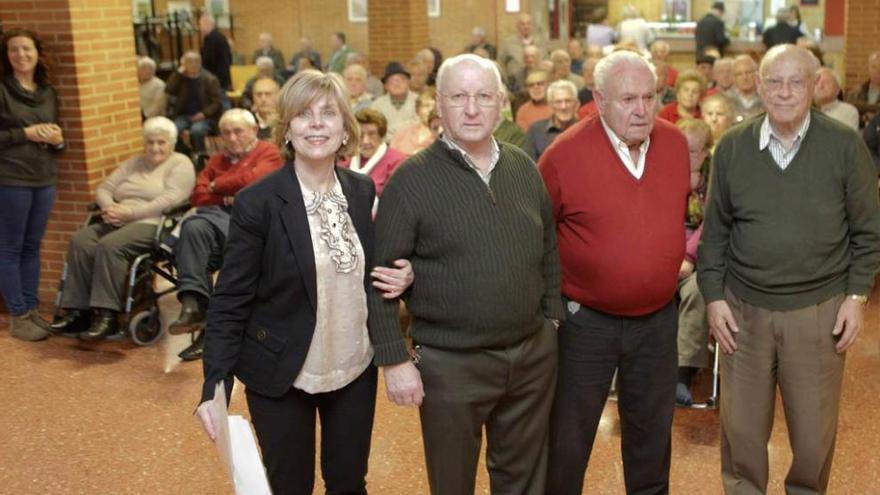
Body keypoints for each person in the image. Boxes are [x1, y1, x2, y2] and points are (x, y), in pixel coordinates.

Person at [195, 70, 414, 495]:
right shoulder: (258, 202)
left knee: (349, 484)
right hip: (281, 371)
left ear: (345, 129)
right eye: (303, 114)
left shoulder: (361, 190)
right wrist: (214, 384)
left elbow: (367, 267)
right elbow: (231, 299)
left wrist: (405, 273)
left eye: (328, 113)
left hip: (353, 365)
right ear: (287, 130)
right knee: (291, 486)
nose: (317, 124)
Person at [368, 53, 563, 495]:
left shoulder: (522, 168)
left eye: (483, 96)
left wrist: (551, 322)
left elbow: (548, 248)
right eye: (458, 96)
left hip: (531, 356)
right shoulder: (411, 180)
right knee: (453, 482)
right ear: (439, 104)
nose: (471, 108)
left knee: (524, 479)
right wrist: (394, 359)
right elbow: (380, 278)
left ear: (500, 105)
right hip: (449, 364)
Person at [698, 44, 880, 494]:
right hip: (743, 312)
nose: (783, 92)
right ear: (759, 85)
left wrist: (856, 298)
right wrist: (713, 296)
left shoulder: (843, 146)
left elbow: (868, 231)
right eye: (773, 82)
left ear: (814, 86)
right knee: (741, 432)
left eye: (795, 81)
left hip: (817, 313)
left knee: (813, 437)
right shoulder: (733, 149)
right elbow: (714, 232)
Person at [539, 50, 690, 494]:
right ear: (599, 99)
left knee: (651, 436)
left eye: (650, 96)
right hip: (585, 322)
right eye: (629, 99)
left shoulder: (676, 143)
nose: (642, 109)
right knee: (569, 436)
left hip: (658, 320)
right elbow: (537, 234)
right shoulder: (564, 154)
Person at [50, 117, 195, 340]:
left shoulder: (181, 163)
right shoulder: (134, 162)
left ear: (172, 143)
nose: (155, 148)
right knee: (81, 240)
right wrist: (110, 208)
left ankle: (107, 316)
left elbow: (171, 199)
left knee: (111, 245)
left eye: (161, 142)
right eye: (150, 142)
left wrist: (131, 213)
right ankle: (77, 312)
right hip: (118, 218)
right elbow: (104, 188)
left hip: (153, 224)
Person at [166, 109, 284, 361]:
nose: (231, 137)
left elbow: (256, 181)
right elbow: (197, 195)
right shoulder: (217, 159)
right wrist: (229, 193)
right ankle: (196, 309)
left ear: (253, 130)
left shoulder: (269, 152)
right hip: (218, 226)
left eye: (238, 131)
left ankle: (199, 314)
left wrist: (216, 186)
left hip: (253, 227)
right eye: (226, 132)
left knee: (196, 227)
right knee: (194, 230)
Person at [0, 28, 65, 341]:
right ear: (7, 55)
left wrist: (57, 139)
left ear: (38, 53)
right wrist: (24, 134)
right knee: (9, 248)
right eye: (14, 50)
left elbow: (58, 137)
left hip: (44, 178)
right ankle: (18, 314)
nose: (21, 55)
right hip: (11, 180)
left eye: (26, 49)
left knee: (31, 246)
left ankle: (32, 309)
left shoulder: (47, 92)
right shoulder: (2, 90)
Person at [673, 118, 713, 406]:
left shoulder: (715, 179)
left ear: (705, 153)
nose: (683, 157)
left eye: (691, 151)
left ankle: (681, 373)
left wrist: (688, 257)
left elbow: (711, 224)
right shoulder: (663, 172)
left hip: (700, 259)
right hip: (664, 253)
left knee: (698, 291)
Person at [165, 51, 223, 154]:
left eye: (195, 61)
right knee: (173, 130)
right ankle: (183, 152)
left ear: (200, 63)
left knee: (197, 131)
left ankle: (199, 155)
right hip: (184, 115)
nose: (193, 64)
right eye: (189, 62)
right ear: (183, 64)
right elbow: (169, 89)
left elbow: (217, 102)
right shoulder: (180, 78)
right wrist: (178, 73)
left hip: (205, 116)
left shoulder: (209, 79)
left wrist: (204, 113)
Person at [340, 109, 407, 198]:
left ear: (381, 136)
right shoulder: (345, 157)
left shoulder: (397, 161)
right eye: (361, 135)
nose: (365, 141)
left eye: (372, 134)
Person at [524, 79, 578, 161]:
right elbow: (528, 166)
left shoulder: (586, 130)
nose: (563, 107)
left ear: (576, 104)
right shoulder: (536, 130)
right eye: (558, 102)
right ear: (550, 105)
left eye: (568, 101)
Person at [369, 62, 418, 141]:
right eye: (392, 81)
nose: (397, 84)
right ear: (386, 86)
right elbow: (376, 130)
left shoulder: (418, 101)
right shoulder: (377, 105)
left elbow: (420, 127)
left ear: (408, 82)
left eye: (401, 80)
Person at [499, 13, 548, 83]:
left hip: (537, 81)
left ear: (532, 26)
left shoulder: (540, 42)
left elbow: (546, 61)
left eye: (528, 24)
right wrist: (506, 80)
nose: (526, 27)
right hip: (515, 83)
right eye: (523, 24)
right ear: (517, 26)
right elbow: (500, 63)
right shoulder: (508, 43)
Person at [390, 87, 440, 156]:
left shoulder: (445, 138)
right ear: (418, 110)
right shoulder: (402, 133)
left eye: (435, 107)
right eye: (426, 106)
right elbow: (390, 160)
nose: (430, 110)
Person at [846, 50, 880, 127]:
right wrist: (865, 117)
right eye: (874, 67)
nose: (878, 71)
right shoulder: (856, 92)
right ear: (868, 68)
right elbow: (849, 107)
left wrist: (863, 108)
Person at [198, 15, 232, 93]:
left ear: (207, 23)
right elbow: (229, 57)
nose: (200, 28)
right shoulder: (221, 37)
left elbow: (208, 60)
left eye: (200, 24)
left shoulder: (210, 39)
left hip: (215, 78)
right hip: (224, 77)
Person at [728, 54, 764, 123]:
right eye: (739, 74)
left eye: (748, 72)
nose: (744, 77)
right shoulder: (725, 100)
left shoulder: (766, 99)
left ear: (756, 74)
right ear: (733, 78)